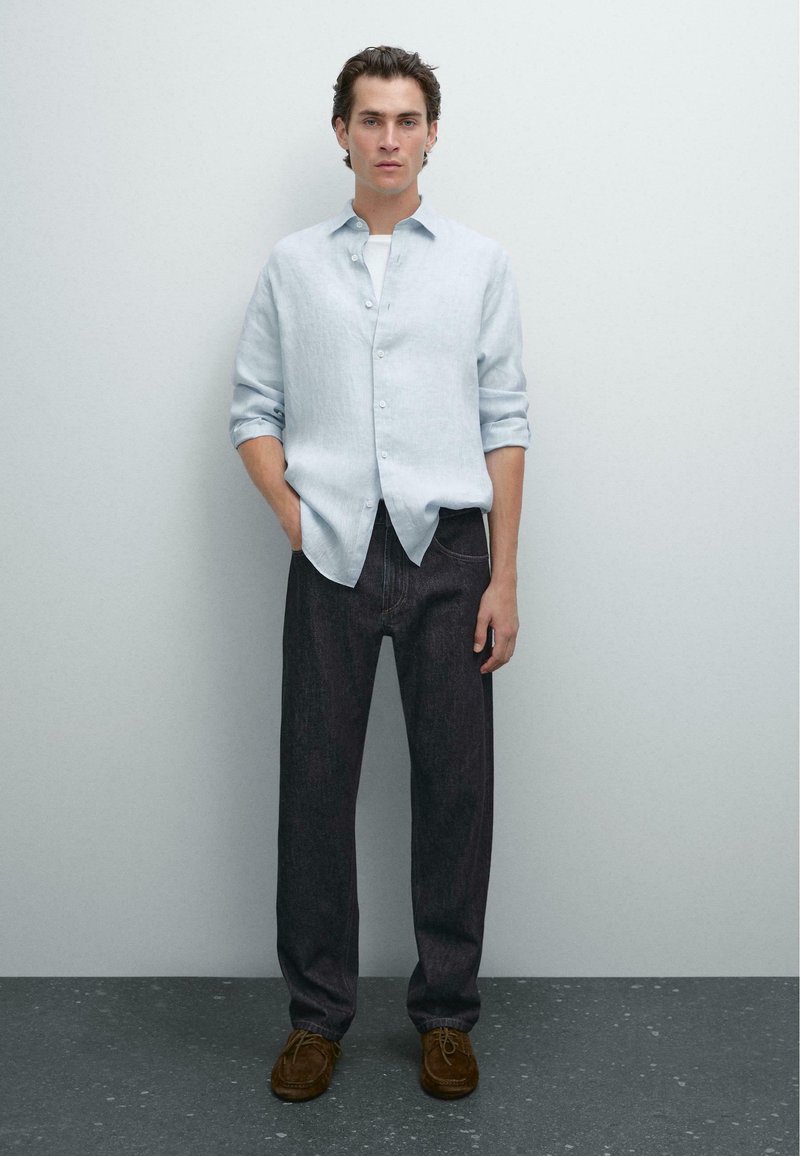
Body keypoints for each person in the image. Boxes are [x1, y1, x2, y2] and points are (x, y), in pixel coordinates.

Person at [228, 44, 531, 1102]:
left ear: (432, 134)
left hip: (449, 550)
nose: (388, 138)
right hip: (332, 554)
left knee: (456, 789)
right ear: (342, 133)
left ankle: (445, 1014)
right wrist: (295, 517)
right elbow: (252, 410)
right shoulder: (293, 267)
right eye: (370, 119)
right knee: (315, 788)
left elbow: (505, 424)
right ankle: (316, 1018)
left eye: (406, 120)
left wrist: (501, 578)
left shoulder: (479, 264)